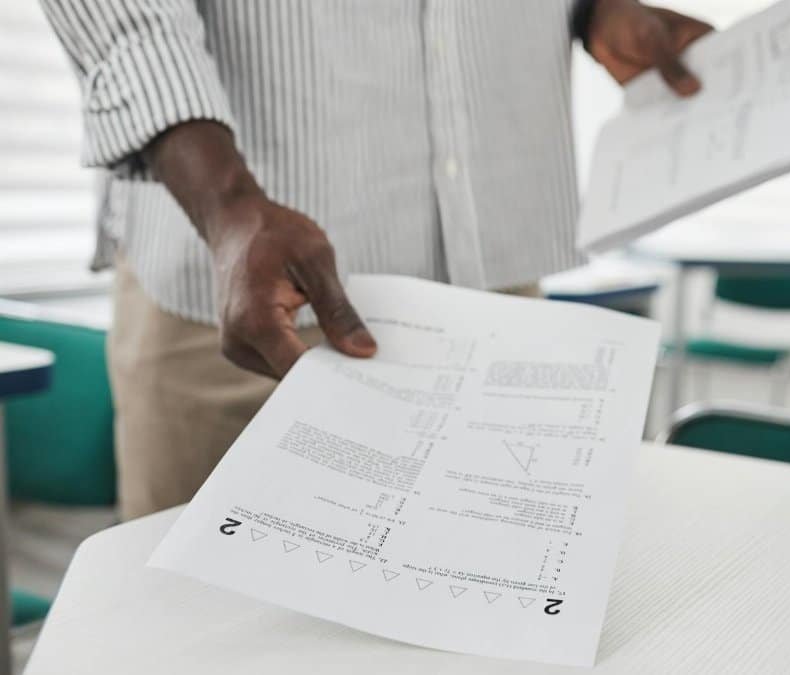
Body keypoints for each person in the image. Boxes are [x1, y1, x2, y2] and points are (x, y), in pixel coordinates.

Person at [41, 0, 711, 519]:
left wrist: (593, 7)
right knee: (205, 640)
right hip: (256, 304)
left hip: (496, 290)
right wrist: (228, 203)